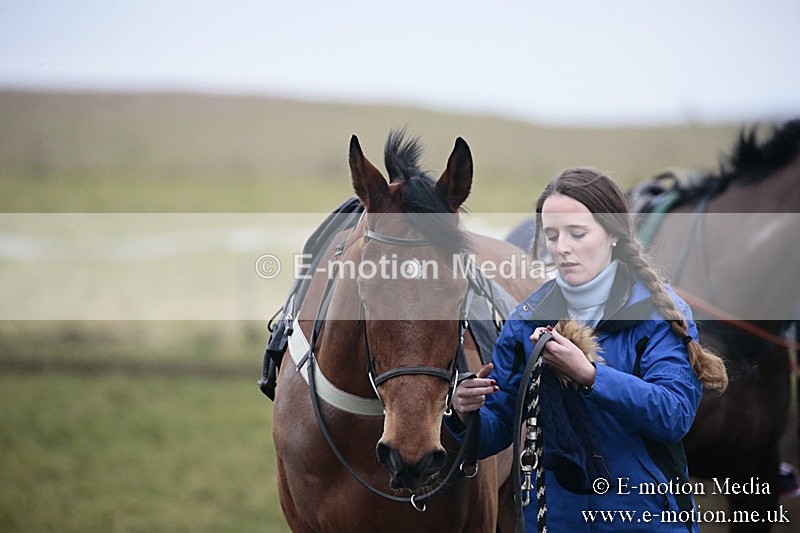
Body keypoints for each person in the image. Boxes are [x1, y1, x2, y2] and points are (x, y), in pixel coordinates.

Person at [447, 167, 728, 532]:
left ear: (612, 234)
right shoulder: (526, 320)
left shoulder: (660, 314)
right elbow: (495, 431)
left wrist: (590, 376)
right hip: (555, 521)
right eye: (551, 235)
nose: (562, 248)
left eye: (577, 233)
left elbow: (673, 416)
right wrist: (462, 413)